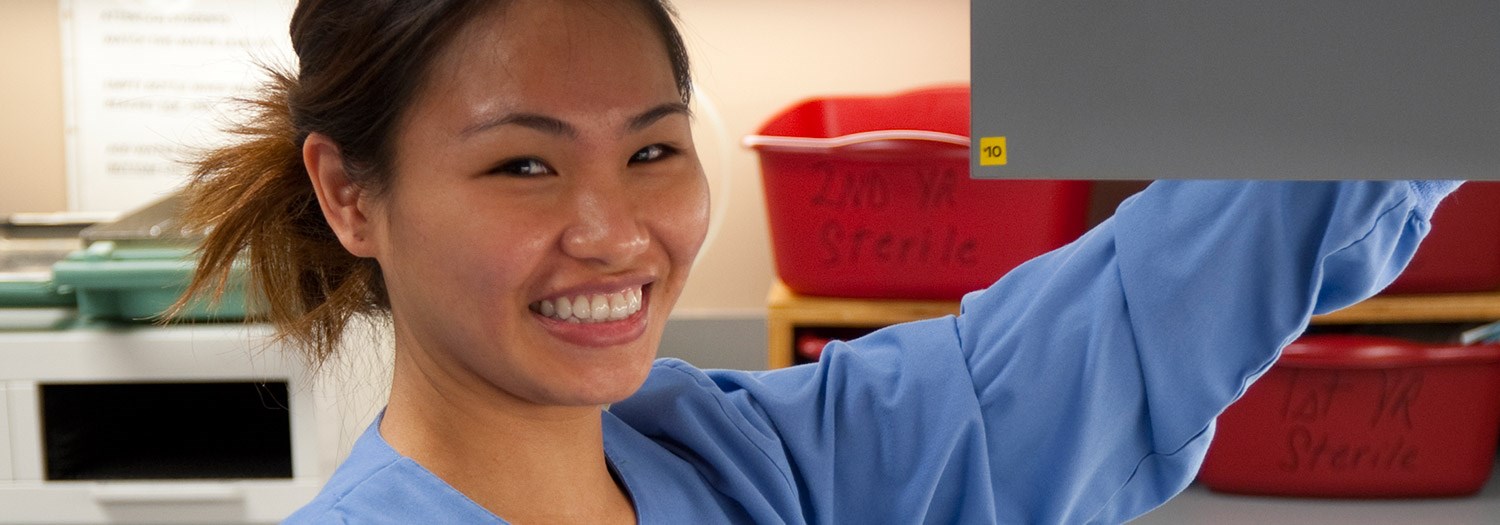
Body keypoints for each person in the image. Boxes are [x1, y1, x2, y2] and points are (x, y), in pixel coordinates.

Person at [175, 0, 1463, 523]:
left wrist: (1427, 67)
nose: (615, 232)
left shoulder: (748, 462)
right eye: (523, 164)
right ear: (351, 195)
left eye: (653, 151)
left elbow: (1133, 312)